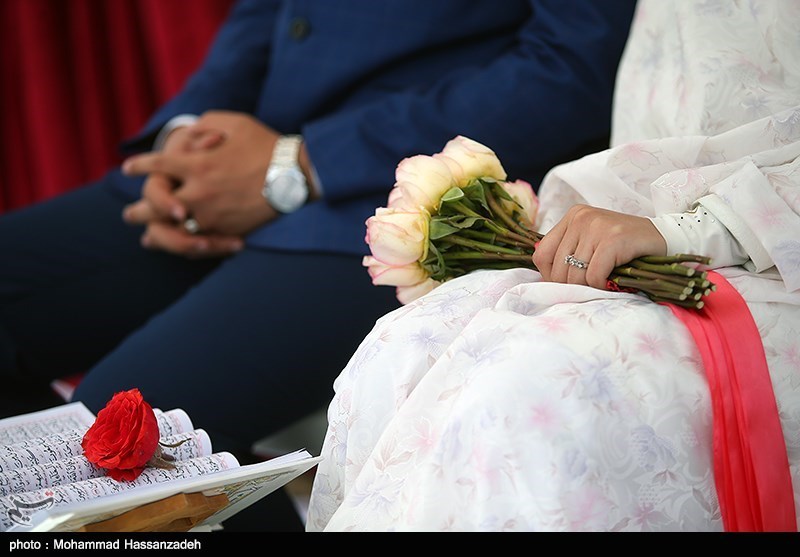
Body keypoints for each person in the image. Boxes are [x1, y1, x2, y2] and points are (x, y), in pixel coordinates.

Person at [0, 0, 635, 476]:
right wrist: (182, 145)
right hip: (245, 146)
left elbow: (569, 65)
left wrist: (301, 164)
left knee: (124, 430)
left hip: (407, 198)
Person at [306, 0, 800, 532]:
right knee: (405, 345)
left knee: (530, 386)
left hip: (768, 244)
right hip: (640, 204)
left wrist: (694, 229)